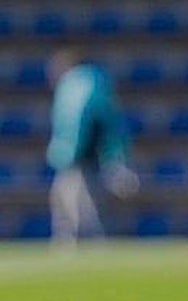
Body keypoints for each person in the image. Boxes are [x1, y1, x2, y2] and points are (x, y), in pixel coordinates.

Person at [45, 48, 139, 245]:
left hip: (81, 161)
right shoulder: (96, 82)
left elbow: (78, 125)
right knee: (81, 208)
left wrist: (68, 154)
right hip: (90, 159)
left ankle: (81, 248)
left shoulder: (77, 86)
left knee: (80, 210)